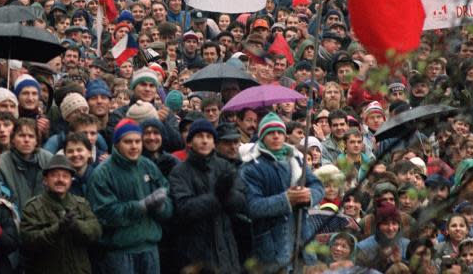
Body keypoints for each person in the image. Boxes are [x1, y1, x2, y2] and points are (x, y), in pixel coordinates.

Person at [86, 118, 172, 273]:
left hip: (150, 249)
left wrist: (162, 208)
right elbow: (104, 213)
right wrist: (141, 206)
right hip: (119, 253)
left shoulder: (148, 165)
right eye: (128, 142)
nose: (134, 146)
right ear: (117, 144)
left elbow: (167, 194)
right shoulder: (103, 173)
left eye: (137, 141)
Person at [240, 112, 325, 268]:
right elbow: (252, 206)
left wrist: (308, 196)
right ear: (262, 136)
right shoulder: (251, 167)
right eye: (271, 133)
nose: (276, 136)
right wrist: (287, 199)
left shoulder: (296, 158)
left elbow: (318, 186)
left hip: (302, 239)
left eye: (280, 132)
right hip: (271, 246)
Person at [168, 118, 248, 273]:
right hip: (197, 254)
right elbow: (185, 208)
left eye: (209, 137)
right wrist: (217, 197)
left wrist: (228, 195)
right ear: (190, 142)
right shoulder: (179, 172)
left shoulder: (224, 166)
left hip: (227, 251)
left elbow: (242, 201)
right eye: (199, 136)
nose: (204, 141)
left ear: (214, 142)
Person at [19, 153, 101, 274]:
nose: (60, 180)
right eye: (54, 175)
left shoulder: (81, 204)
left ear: (71, 181)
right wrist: (58, 229)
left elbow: (96, 232)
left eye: (65, 176)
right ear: (45, 180)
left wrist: (76, 225)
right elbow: (29, 241)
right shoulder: (33, 207)